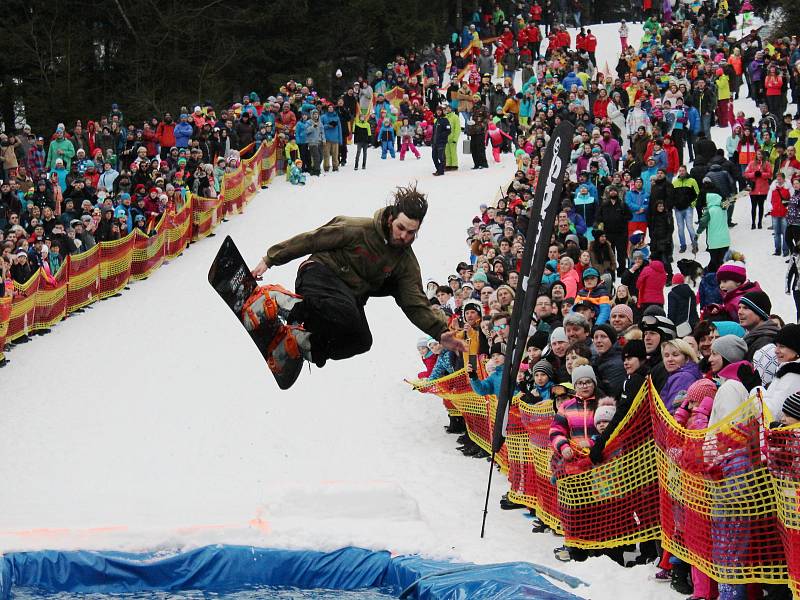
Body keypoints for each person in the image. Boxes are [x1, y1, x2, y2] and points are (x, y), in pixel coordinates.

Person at [249, 184, 466, 386]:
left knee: (361, 340)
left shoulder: (405, 263)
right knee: (345, 313)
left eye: (411, 233)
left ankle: (301, 343)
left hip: (345, 298)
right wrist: (270, 259)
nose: (404, 236)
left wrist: (440, 331)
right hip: (319, 275)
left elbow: (415, 303)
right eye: (401, 228)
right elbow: (310, 240)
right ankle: (276, 300)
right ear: (391, 218)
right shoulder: (357, 229)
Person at [431, 106, 450, 176]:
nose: (438, 111)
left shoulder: (445, 120)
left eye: (440, 110)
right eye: (437, 110)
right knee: (434, 157)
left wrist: (442, 136)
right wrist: (432, 140)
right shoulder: (436, 120)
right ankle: (439, 169)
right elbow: (434, 132)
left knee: (441, 157)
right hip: (435, 142)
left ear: (442, 111)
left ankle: (441, 171)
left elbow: (448, 130)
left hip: (441, 142)